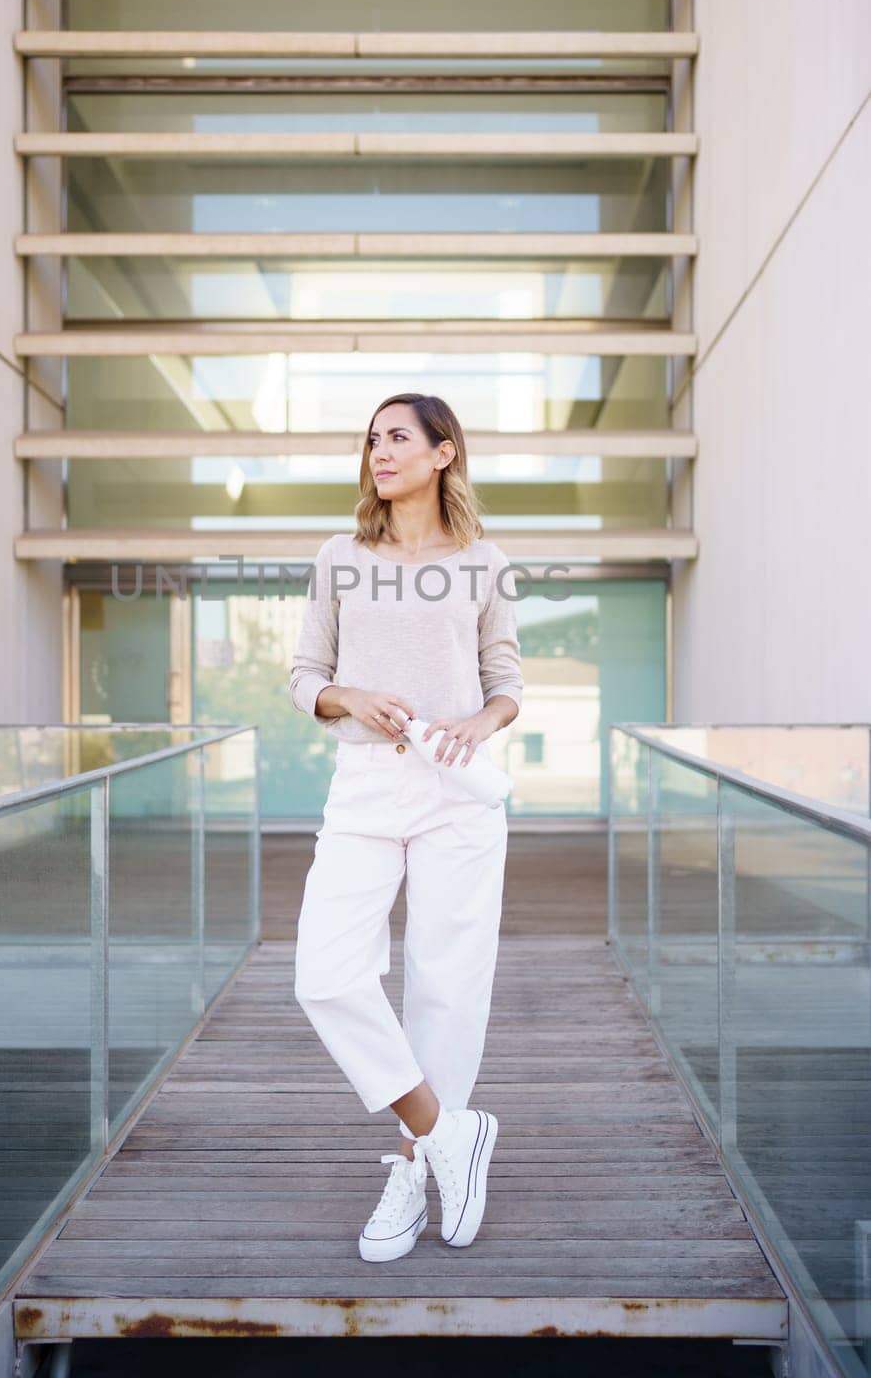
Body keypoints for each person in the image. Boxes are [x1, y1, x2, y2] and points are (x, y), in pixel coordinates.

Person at [288, 391, 523, 1262]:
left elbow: (506, 680)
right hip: (363, 785)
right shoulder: (339, 556)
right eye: (372, 440)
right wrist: (348, 695)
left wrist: (480, 722)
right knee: (325, 972)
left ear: (442, 453)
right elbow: (305, 674)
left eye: (397, 438)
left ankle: (409, 1170)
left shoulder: (483, 560)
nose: (379, 452)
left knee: (446, 986)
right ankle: (443, 1132)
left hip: (454, 787)